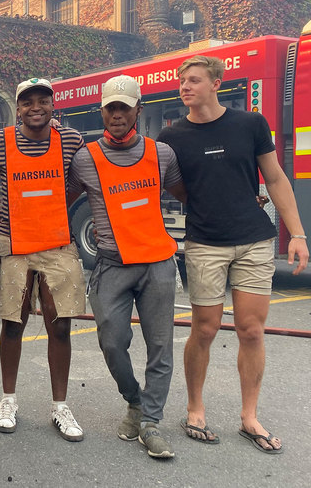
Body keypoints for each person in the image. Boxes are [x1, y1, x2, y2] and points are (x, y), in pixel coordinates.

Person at [158, 55, 308, 454]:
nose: (184, 87)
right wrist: (206, 202)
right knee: (204, 329)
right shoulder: (172, 137)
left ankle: (249, 417)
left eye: (193, 80)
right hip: (205, 242)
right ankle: (194, 408)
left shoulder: (250, 125)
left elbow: (274, 178)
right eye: (181, 81)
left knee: (252, 330)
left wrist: (297, 234)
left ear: (216, 83)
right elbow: (173, 185)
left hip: (254, 240)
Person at [68, 75, 186, 458]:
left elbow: (186, 193)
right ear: (101, 110)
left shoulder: (161, 154)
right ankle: (134, 400)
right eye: (111, 108)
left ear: (138, 109)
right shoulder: (85, 158)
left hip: (158, 264)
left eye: (124, 107)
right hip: (111, 265)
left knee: (160, 346)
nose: (117, 114)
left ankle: (150, 421)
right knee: (112, 341)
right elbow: (59, 197)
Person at [0, 77, 86, 441]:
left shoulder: (71, 140)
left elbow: (80, 181)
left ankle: (60, 406)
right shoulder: (0, 142)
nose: (36, 107)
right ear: (18, 107)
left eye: (43, 100)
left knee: (60, 325)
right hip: (14, 243)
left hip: (59, 243)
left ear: (52, 105)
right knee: (14, 322)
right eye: (28, 102)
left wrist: (58, 206)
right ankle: (8, 399)